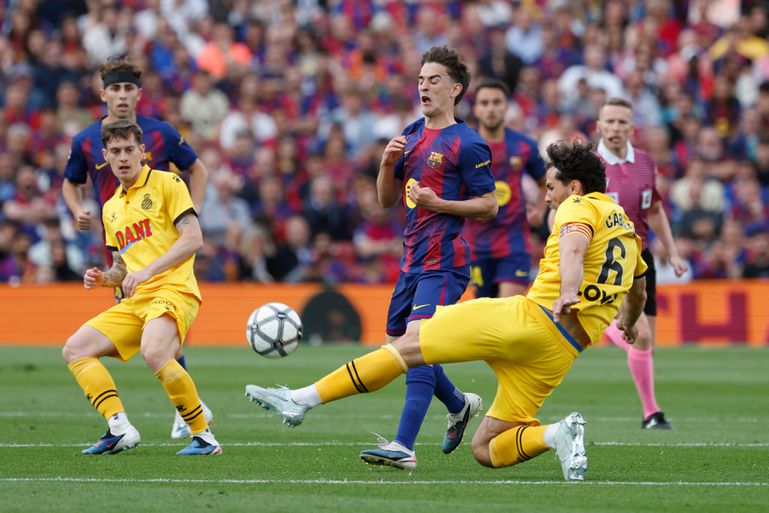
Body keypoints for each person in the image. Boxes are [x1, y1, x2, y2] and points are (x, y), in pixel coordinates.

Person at [245, 140, 648, 481]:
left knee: (408, 344)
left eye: (551, 187)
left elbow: (574, 247)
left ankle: (302, 400)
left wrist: (568, 291)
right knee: (485, 448)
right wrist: (628, 324)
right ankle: (557, 434)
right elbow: (639, 292)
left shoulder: (576, 206)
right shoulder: (628, 231)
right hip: (560, 353)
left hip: (530, 320)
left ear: (574, 186)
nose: (547, 196)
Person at [287, 46, 498, 471]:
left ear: (455, 89)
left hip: (445, 261)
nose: (424, 86)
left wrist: (439, 203)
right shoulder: (411, 135)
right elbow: (386, 201)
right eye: (420, 80)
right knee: (399, 347)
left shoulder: (469, 143)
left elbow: (489, 205)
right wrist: (386, 165)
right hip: (411, 260)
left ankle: (404, 445)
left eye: (434, 80)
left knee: (416, 343)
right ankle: (458, 405)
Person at [61, 57, 211, 439]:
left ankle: (192, 419)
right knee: (135, 340)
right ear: (104, 94)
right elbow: (70, 183)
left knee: (157, 342)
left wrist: (190, 212)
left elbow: (198, 169)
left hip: (163, 252)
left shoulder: (162, 135)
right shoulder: (85, 142)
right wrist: (78, 213)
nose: (123, 95)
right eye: (116, 88)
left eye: (129, 88)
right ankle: (133, 423)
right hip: (124, 246)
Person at [595, 98, 689, 430]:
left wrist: (673, 252)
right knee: (641, 336)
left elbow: (655, 209)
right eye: (610, 121)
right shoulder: (591, 166)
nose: (615, 128)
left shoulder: (646, 163)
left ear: (632, 127)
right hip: (607, 258)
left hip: (642, 256)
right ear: (599, 126)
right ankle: (652, 413)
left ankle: (604, 324)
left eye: (622, 122)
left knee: (647, 343)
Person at [465, 79, 546, 298]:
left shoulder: (524, 145)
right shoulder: (464, 146)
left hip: (514, 242)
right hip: (477, 244)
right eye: (484, 103)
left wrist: (539, 210)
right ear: (476, 109)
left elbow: (544, 182)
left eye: (496, 102)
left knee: (508, 310)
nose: (491, 108)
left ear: (506, 107)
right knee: (486, 312)